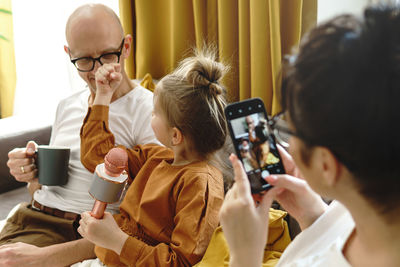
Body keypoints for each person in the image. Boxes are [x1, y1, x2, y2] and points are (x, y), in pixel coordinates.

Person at [220, 3, 400, 267]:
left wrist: (244, 256)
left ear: (326, 164)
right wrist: (315, 218)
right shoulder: (364, 208)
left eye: (289, 128)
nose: (288, 145)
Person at [0, 3, 157, 266]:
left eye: (108, 55)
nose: (97, 72)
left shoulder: (151, 112)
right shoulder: (68, 105)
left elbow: (147, 221)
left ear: (126, 47)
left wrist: (43, 258)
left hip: (87, 233)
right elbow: (42, 191)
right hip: (32, 219)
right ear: (69, 54)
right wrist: (31, 171)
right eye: (84, 60)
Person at [76, 49, 227, 266]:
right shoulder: (155, 158)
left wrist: (117, 240)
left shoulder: (200, 184)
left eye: (155, 112)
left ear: (175, 135)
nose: (150, 115)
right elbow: (97, 158)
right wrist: (102, 97)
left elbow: (181, 263)